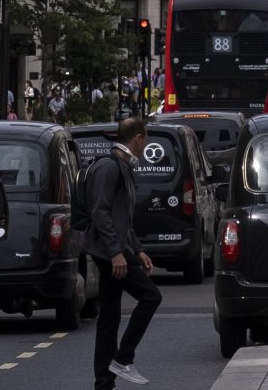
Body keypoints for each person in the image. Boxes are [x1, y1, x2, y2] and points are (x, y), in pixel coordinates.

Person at [84, 114, 161, 390]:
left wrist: (137, 250)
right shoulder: (110, 168)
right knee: (151, 296)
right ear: (137, 137)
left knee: (109, 317)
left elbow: (122, 218)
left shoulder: (124, 166)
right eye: (145, 139)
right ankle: (122, 358)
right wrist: (117, 253)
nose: (145, 144)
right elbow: (100, 212)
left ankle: (104, 382)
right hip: (108, 253)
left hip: (115, 249)